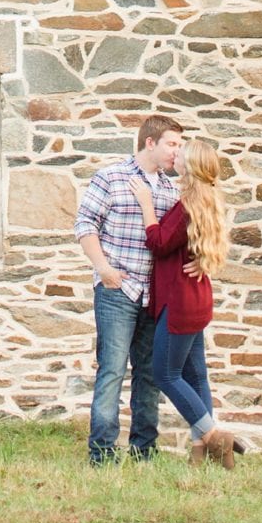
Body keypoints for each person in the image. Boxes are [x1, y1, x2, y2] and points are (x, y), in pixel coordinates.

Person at [73, 113, 182, 465]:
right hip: (117, 291)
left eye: (179, 145)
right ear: (150, 142)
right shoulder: (111, 177)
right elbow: (85, 224)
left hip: (155, 297)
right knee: (112, 370)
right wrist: (103, 269)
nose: (176, 153)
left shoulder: (169, 189)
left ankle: (144, 452)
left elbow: (174, 240)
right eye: (171, 144)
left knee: (149, 376)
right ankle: (102, 453)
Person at [129, 138, 240, 468]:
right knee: (197, 376)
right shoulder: (208, 199)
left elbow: (159, 242)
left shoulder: (189, 202)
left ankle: (214, 437)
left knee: (166, 375)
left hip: (179, 302)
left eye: (182, 153)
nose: (175, 155)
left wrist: (146, 204)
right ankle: (199, 449)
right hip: (197, 299)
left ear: (189, 167)